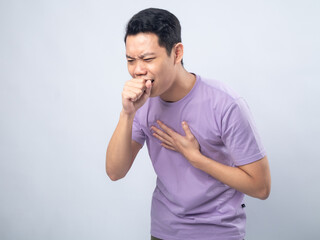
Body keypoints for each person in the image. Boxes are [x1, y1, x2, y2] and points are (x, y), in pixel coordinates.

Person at [106, 8, 271, 240]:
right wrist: (126, 114)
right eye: (130, 60)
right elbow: (115, 172)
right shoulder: (140, 105)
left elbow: (261, 187)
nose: (138, 70)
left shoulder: (225, 103)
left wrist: (197, 159)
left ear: (177, 53)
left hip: (219, 233)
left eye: (148, 59)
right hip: (164, 232)